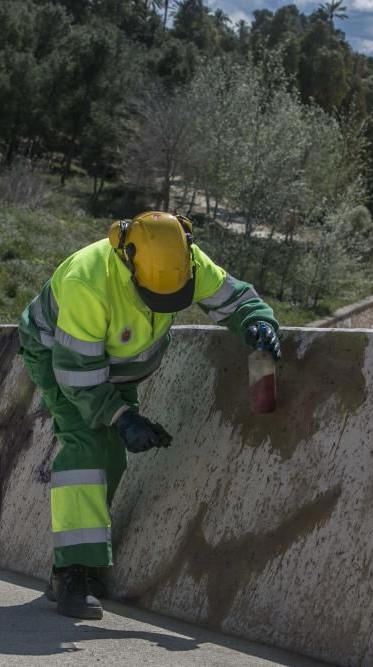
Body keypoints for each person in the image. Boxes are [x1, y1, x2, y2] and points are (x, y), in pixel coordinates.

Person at [17, 211, 281, 620]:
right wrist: (122, 418)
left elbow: (235, 300)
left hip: (112, 368)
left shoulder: (183, 260)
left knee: (111, 457)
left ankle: (80, 562)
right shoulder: (88, 282)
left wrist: (258, 324)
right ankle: (70, 572)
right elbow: (78, 378)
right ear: (128, 264)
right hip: (61, 360)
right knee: (87, 446)